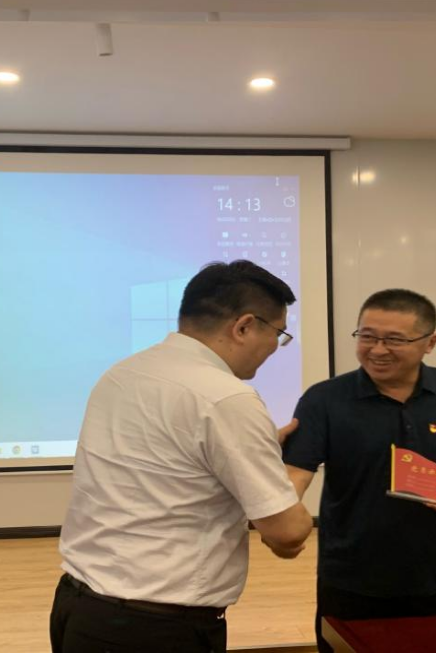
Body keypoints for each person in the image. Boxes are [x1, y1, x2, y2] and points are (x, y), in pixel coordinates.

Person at [50, 260, 314, 653]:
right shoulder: (227, 398)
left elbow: (167, 459)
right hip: (154, 628)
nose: (275, 347)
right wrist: (288, 477)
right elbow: (287, 532)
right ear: (244, 327)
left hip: (78, 606)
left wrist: (253, 449)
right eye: (278, 333)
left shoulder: (123, 373)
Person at [282, 289, 436, 652]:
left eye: (394, 340)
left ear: (430, 342)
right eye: (367, 336)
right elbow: (296, 473)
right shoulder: (324, 399)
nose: (377, 350)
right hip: (353, 577)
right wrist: (281, 525)